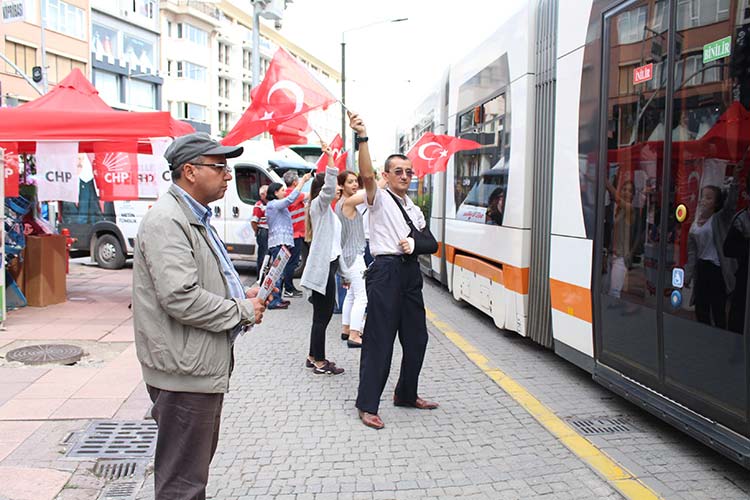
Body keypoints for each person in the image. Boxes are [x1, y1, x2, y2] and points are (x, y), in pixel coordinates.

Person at [132, 132, 267, 500]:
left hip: (192, 367)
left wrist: (241, 294)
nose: (228, 176)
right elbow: (181, 297)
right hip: (182, 373)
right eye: (219, 167)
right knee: (183, 483)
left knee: (190, 475)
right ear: (189, 171)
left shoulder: (193, 216)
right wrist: (240, 310)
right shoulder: (168, 220)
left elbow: (203, 279)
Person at [349, 111, 438, 430]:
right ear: (386, 175)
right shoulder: (378, 198)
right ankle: (367, 404)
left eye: (408, 172)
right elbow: (365, 175)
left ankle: (406, 394)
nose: (404, 176)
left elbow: (431, 243)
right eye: (397, 171)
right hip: (385, 271)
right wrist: (362, 138)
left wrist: (416, 245)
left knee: (417, 339)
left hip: (410, 274)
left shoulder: (413, 208)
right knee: (380, 340)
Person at [300, 144, 345, 375]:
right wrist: (329, 158)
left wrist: (343, 274)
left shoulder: (328, 212)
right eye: (336, 186)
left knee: (322, 316)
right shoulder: (319, 206)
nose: (338, 189)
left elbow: (337, 247)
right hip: (322, 270)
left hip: (330, 267)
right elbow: (328, 188)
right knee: (322, 317)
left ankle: (312, 356)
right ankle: (320, 362)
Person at [686, 177, 739, 328]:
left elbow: (730, 206)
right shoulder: (695, 224)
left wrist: (734, 183)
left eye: (709, 198)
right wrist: (688, 275)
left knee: (718, 309)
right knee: (701, 308)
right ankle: (705, 337)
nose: (704, 200)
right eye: (703, 196)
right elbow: (692, 252)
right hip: (702, 267)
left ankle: (719, 338)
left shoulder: (719, 219)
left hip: (716, 269)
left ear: (716, 203)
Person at [265, 173, 312, 309]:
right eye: (282, 191)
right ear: (275, 193)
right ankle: (274, 301)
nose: (285, 193)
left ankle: (278, 298)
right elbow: (290, 199)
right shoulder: (274, 205)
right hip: (278, 243)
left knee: (279, 271)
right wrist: (302, 181)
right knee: (277, 273)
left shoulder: (275, 205)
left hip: (282, 242)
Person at [336, 170, 368, 348]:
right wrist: (384, 180)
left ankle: (346, 328)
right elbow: (371, 191)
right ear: (341, 185)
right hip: (354, 255)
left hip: (347, 255)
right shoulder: (347, 203)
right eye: (350, 182)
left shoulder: (342, 203)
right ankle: (355, 335)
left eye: (356, 181)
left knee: (351, 294)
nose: (355, 185)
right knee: (362, 297)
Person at [282, 171, 307, 298]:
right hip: (295, 234)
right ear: (295, 182)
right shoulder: (294, 195)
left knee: (288, 261)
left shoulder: (285, 194)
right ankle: (289, 288)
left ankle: (287, 286)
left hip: (290, 233)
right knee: (292, 262)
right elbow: (310, 195)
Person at [251, 184, 269, 275]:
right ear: (262, 195)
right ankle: (260, 276)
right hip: (263, 231)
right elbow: (254, 221)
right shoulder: (259, 205)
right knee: (263, 255)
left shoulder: (269, 203)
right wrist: (257, 231)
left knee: (267, 255)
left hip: (268, 231)